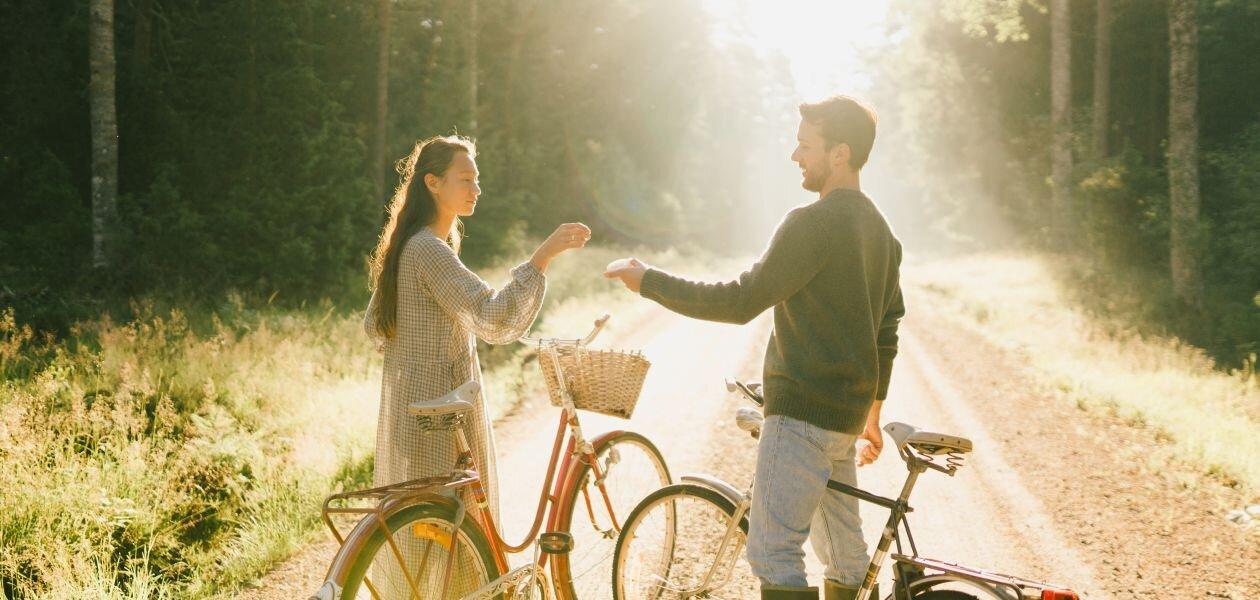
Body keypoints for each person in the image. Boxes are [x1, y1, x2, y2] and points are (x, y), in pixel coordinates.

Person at [605, 96, 904, 600]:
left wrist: (647, 281)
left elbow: (741, 300)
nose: (794, 155)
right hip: (844, 422)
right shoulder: (882, 233)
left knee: (775, 552)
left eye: (805, 145)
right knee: (847, 559)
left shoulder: (814, 223)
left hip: (801, 417)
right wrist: (872, 412)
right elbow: (887, 329)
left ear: (840, 154)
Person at [363, 135, 590, 597]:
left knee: (433, 546)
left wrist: (420, 353)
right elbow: (492, 316)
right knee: (452, 540)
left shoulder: (412, 244)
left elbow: (375, 324)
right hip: (440, 419)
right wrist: (541, 258)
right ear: (432, 183)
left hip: (417, 411)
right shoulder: (428, 249)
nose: (476, 188)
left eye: (477, 179)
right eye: (465, 179)